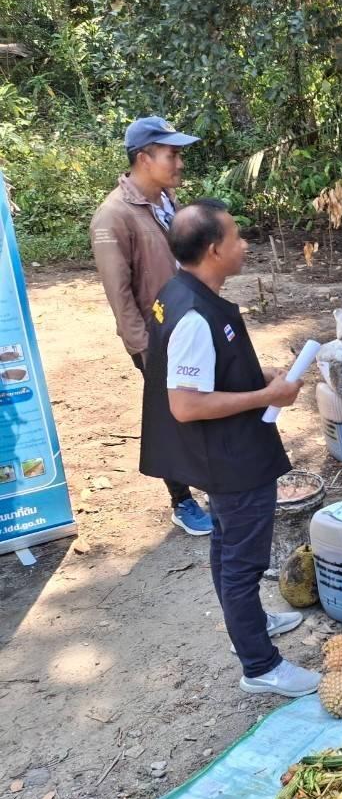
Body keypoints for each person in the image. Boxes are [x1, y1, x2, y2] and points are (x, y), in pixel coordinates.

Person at [140, 199, 319, 696]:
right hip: (230, 457)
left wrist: (262, 377)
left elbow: (206, 371)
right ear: (215, 249)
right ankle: (260, 666)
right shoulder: (194, 313)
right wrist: (267, 395)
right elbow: (186, 404)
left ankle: (251, 625)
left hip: (220, 453)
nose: (245, 245)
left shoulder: (180, 291)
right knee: (243, 563)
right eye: (237, 237)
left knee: (225, 545)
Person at [90, 115, 212, 536]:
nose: (179, 163)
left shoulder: (165, 203)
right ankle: (181, 501)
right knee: (168, 417)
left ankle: (212, 480)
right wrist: (143, 347)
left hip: (189, 326)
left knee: (202, 404)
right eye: (172, 155)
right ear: (144, 158)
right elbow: (118, 292)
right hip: (155, 338)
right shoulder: (114, 216)